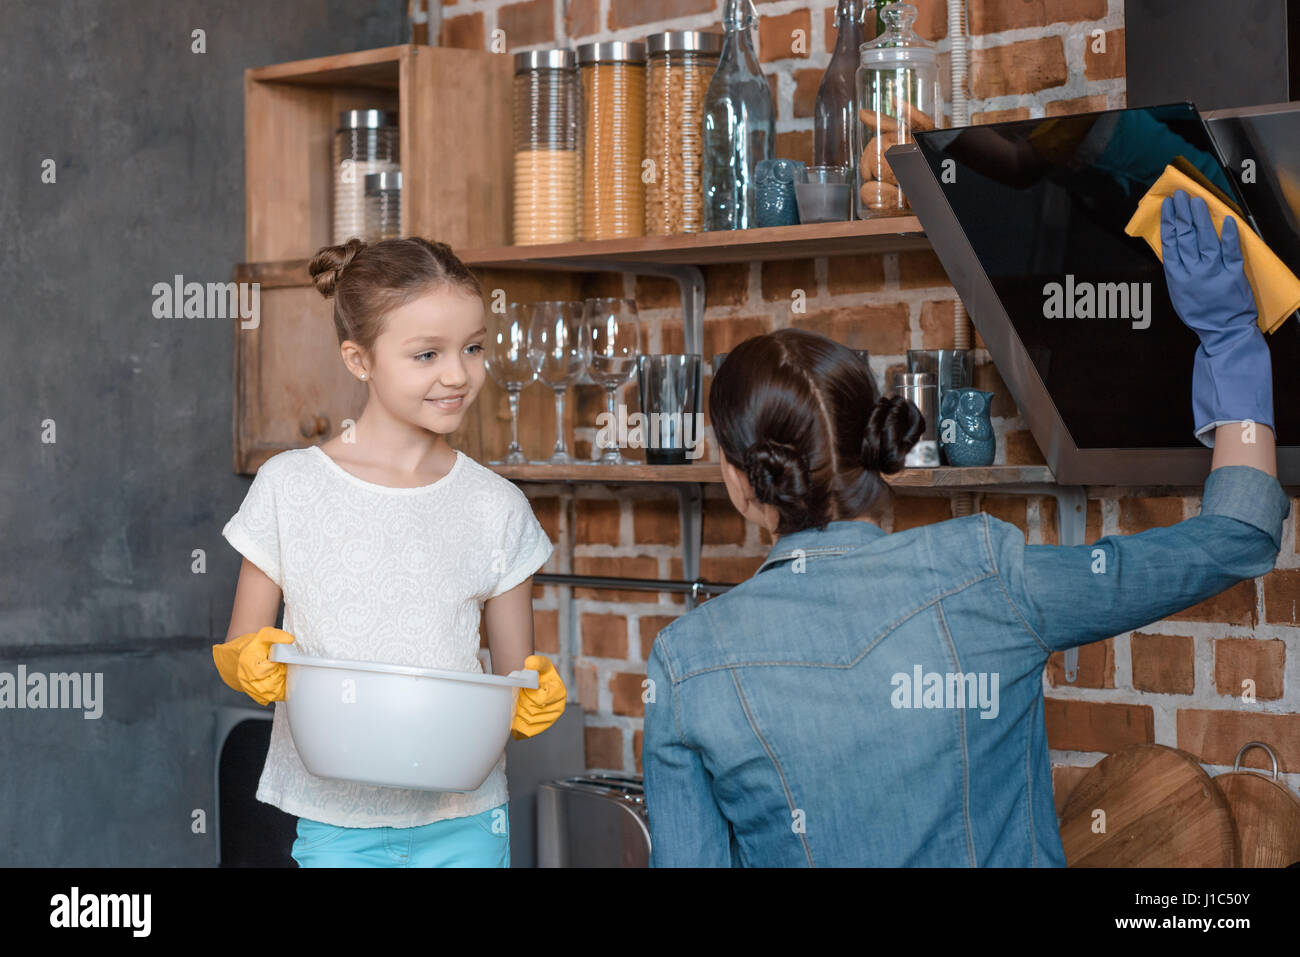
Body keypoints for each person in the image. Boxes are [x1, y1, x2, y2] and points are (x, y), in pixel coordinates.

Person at [641, 190, 1287, 866]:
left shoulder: (686, 665)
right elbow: (1237, 533)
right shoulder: (985, 574)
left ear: (741, 480)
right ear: (871, 444)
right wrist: (1229, 339)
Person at [212, 237, 564, 867]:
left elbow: (515, 681)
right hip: (335, 821)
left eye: (473, 347)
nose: (457, 373)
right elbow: (243, 643)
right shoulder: (291, 486)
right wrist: (249, 663)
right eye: (426, 354)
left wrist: (529, 695)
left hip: (468, 820)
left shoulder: (496, 505)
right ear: (359, 359)